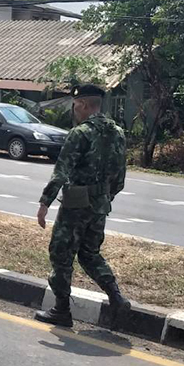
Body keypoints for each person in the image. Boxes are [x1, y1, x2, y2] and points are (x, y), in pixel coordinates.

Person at [34, 83, 130, 329]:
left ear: (85, 105)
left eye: (76, 105)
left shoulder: (81, 133)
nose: (74, 110)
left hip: (76, 204)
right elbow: (120, 175)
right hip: (100, 205)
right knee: (90, 254)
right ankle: (116, 296)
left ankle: (62, 310)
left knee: (61, 254)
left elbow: (62, 170)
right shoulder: (117, 132)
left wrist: (45, 202)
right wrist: (105, 197)